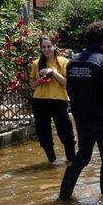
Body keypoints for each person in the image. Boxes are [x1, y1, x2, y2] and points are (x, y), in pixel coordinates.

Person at [59, 21, 103, 200]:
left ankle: (63, 197)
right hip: (102, 119)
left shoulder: (73, 62)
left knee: (82, 156)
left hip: (82, 118)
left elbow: (70, 89)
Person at [29, 34, 76, 165]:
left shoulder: (64, 62)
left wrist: (53, 72)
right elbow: (32, 85)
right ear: (40, 48)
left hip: (59, 100)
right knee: (44, 133)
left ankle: (71, 160)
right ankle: (52, 162)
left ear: (54, 46)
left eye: (49, 46)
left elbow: (67, 83)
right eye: (43, 47)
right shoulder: (36, 63)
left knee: (66, 131)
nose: (46, 49)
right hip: (40, 100)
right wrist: (40, 80)